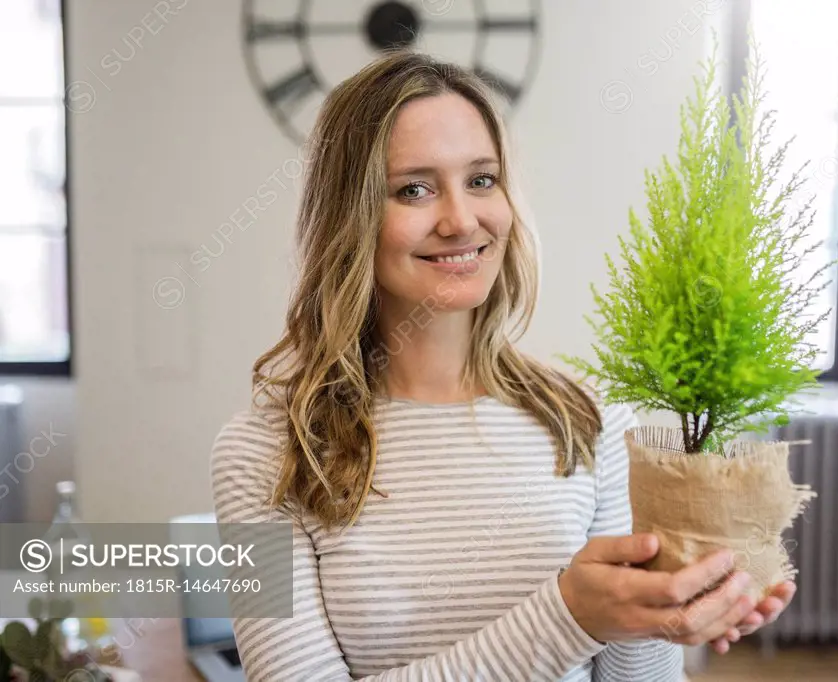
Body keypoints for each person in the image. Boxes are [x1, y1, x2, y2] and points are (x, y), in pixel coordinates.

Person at [210, 50, 795, 682]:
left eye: (482, 180)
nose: (462, 220)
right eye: (414, 189)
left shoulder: (588, 420)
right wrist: (569, 616)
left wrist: (665, 612)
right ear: (349, 217)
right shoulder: (263, 453)